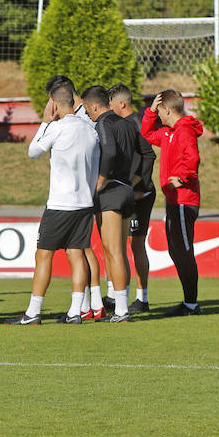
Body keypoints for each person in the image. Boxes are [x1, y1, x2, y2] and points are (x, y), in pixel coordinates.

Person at [6, 84, 99, 325]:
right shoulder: (91, 129)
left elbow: (33, 151)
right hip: (85, 202)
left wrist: (45, 121)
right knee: (76, 254)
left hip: (61, 204)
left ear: (54, 104)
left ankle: (33, 312)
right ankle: (75, 311)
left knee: (43, 255)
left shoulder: (57, 128)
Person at [43, 76, 104, 319]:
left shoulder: (83, 119)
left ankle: (95, 302)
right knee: (82, 249)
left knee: (84, 249)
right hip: (83, 192)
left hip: (80, 193)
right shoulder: (79, 117)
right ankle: (88, 305)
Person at [140, 89, 203, 316]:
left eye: (159, 112)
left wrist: (182, 178)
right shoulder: (168, 133)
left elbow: (193, 158)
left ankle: (191, 304)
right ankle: (188, 303)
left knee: (183, 251)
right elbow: (145, 135)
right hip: (174, 201)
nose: (158, 116)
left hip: (184, 200)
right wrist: (148, 112)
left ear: (167, 109)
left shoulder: (184, 130)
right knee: (176, 251)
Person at [82, 85, 142, 323]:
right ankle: (121, 305)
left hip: (111, 192)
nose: (88, 114)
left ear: (95, 106)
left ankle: (121, 311)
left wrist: (101, 180)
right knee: (121, 253)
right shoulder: (127, 123)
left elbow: (108, 152)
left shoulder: (104, 124)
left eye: (88, 110)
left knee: (113, 251)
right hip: (127, 189)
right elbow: (140, 155)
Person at [109, 83, 156, 313]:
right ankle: (116, 295)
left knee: (135, 244)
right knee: (117, 242)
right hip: (127, 191)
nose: (109, 109)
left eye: (111, 104)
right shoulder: (124, 125)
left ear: (121, 104)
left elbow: (149, 155)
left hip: (140, 194)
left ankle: (142, 299)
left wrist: (138, 185)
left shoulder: (135, 125)